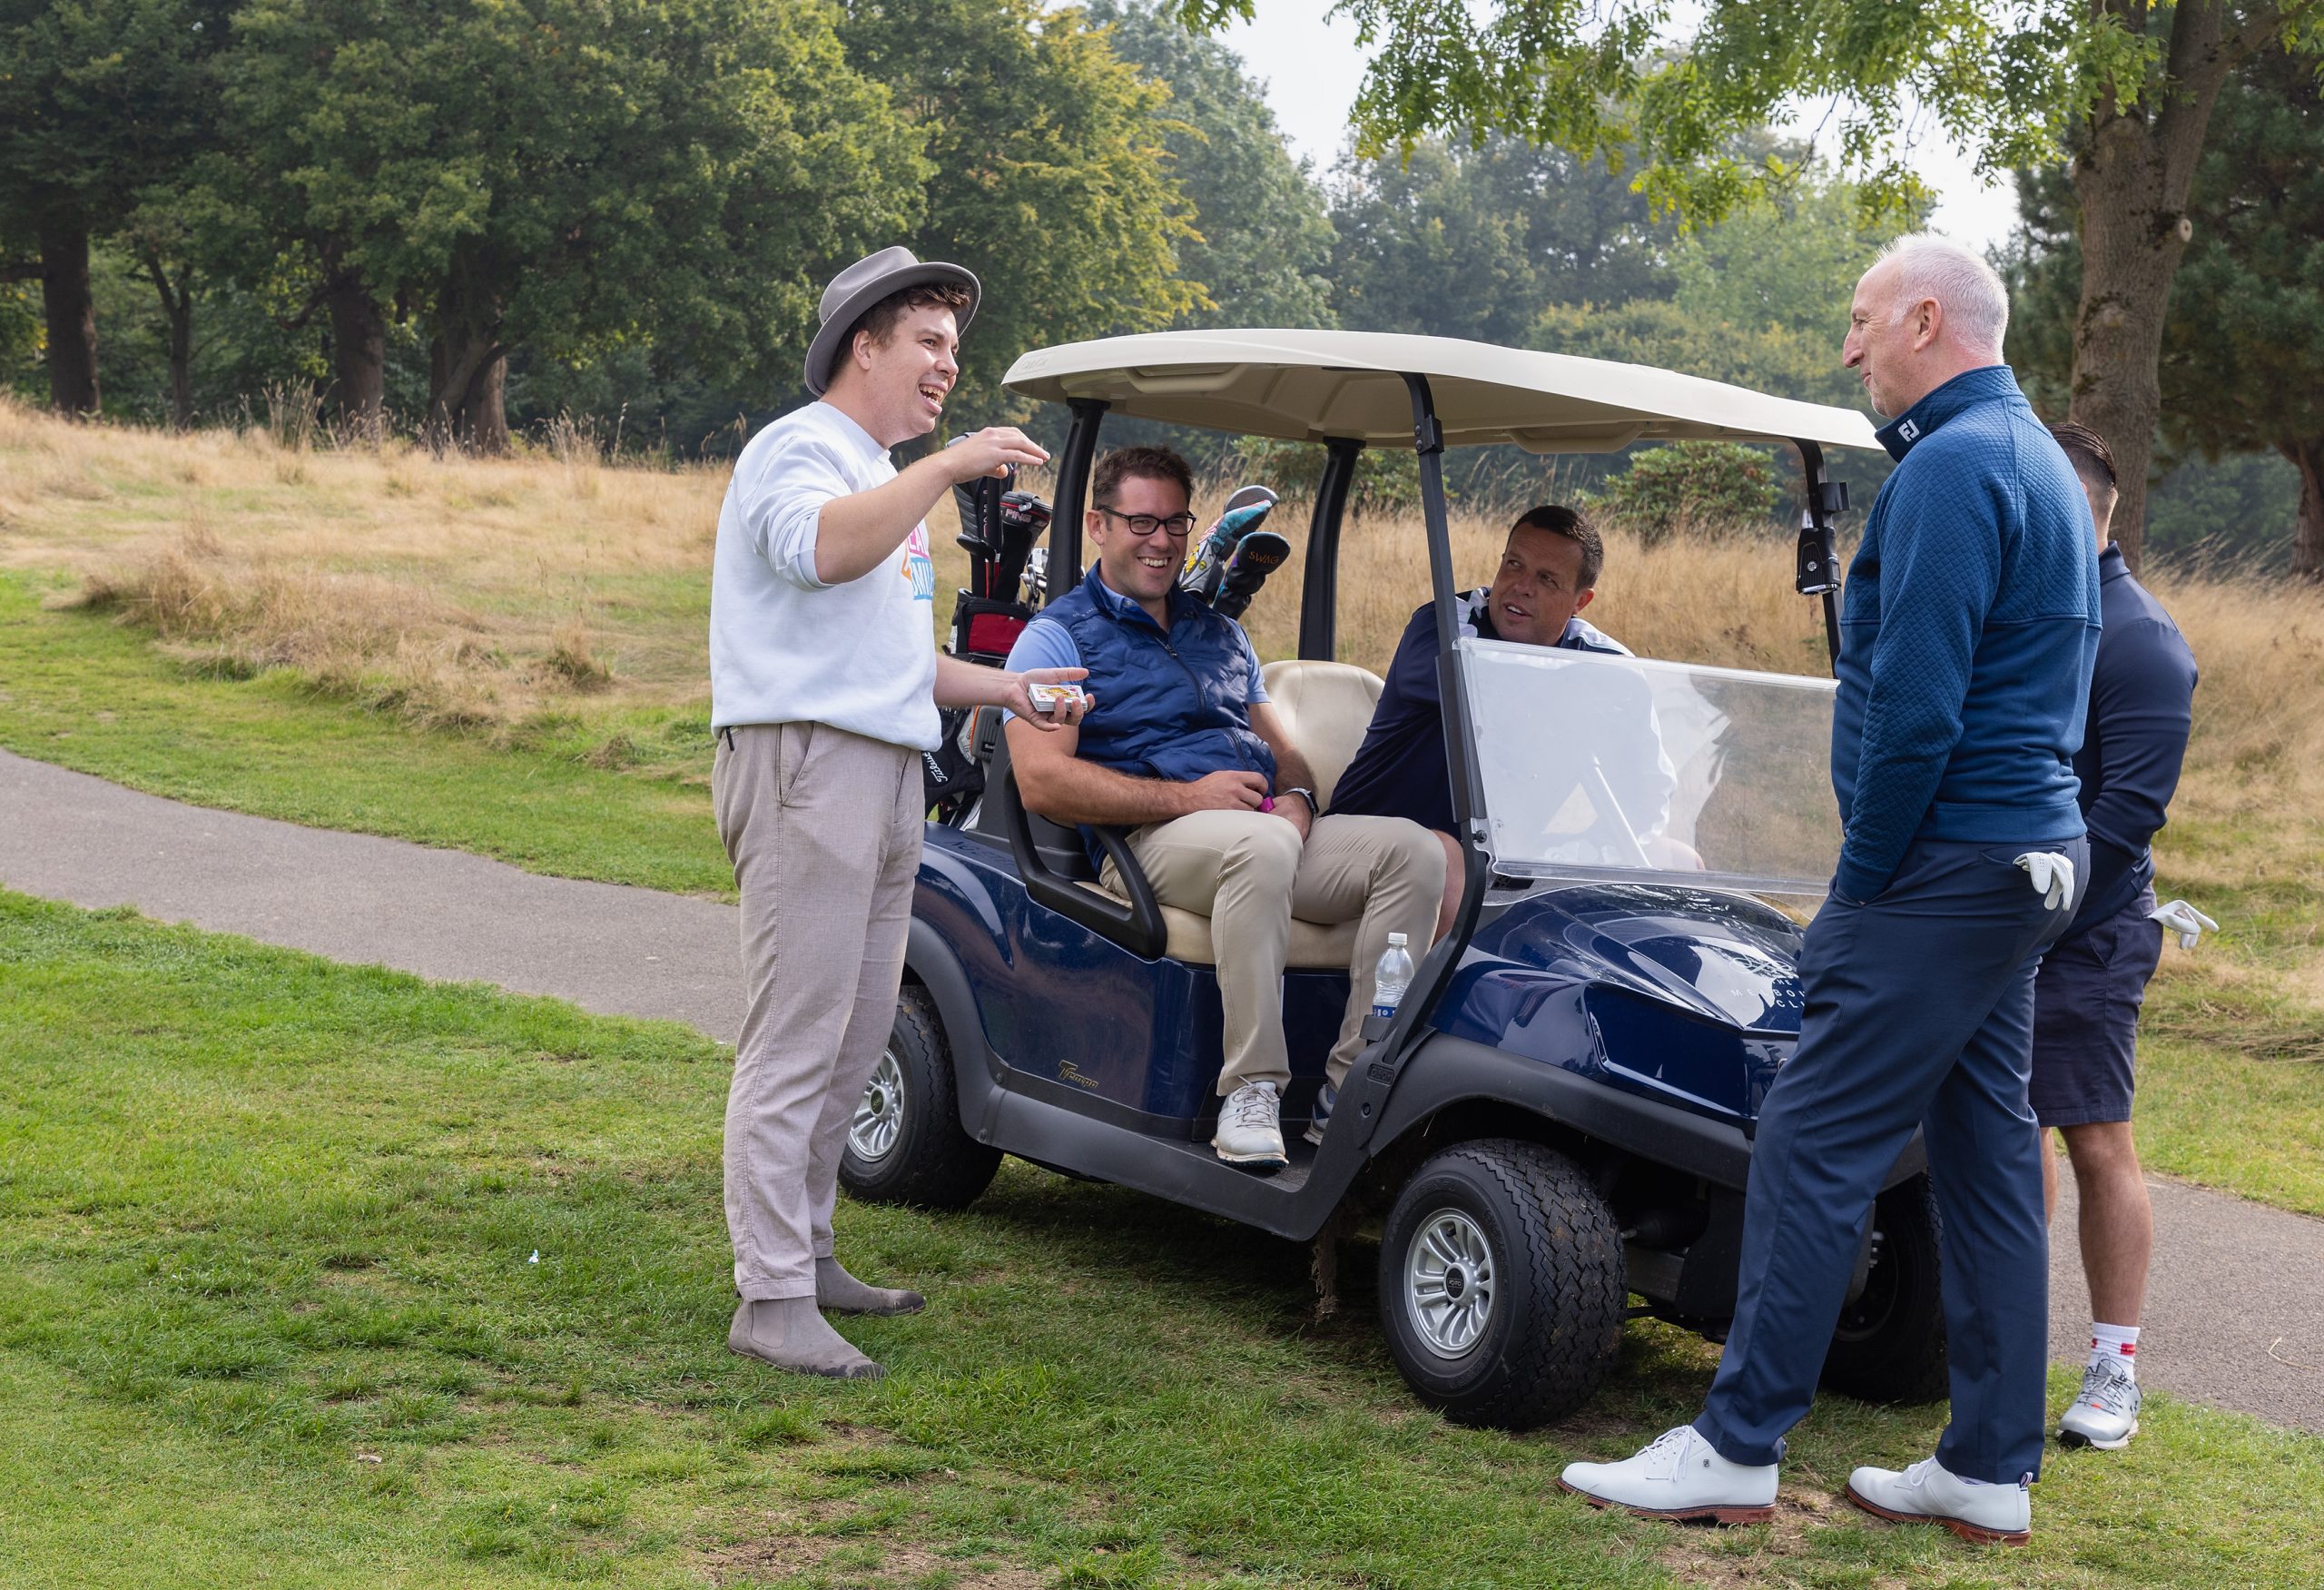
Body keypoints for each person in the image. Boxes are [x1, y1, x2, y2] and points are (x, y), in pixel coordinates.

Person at [1559, 233, 2100, 1545]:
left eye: (1863, 320)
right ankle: (1986, 1465)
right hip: (2025, 860)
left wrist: (1858, 887)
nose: (1849, 346)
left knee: (1811, 1137)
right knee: (1982, 1153)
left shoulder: (1953, 466)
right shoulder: (2034, 456)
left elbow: (1915, 711)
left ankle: (1735, 1445)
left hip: (1945, 866)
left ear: (1925, 320)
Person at [710, 246, 1088, 1381]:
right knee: (799, 1029)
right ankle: (770, 1295)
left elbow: (895, 660)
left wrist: (1010, 689)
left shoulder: (878, 476)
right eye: (928, 342)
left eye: (953, 349)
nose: (947, 365)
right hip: (806, 764)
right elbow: (821, 552)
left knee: (860, 1025)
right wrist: (947, 467)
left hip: (882, 769)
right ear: (862, 345)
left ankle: (810, 1253)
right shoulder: (798, 451)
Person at [1003, 445, 1444, 1169]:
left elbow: (1282, 750)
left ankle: (1352, 1092)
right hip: (1147, 841)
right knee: (1260, 847)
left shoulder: (1221, 633)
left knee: (1415, 853)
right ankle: (1251, 1089)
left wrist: (1298, 798)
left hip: (1258, 833)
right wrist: (1191, 798)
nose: (1162, 540)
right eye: (1142, 522)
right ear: (1098, 525)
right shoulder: (1057, 636)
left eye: (1176, 523)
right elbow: (1042, 782)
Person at [2034, 421, 2199, 1451]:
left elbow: (2125, 816)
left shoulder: (2141, 640)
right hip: (2004, 918)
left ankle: (2114, 1366)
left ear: (2085, 508)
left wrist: (2034, 921)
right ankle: (2000, 1331)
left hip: (2089, 930)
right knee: (2007, 1127)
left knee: (2094, 1135)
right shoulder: (2030, 613)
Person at [1331, 505, 1632, 937]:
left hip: (1495, 861)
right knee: (1444, 857)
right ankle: (1439, 985)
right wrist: (1588, 697)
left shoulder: (1605, 661)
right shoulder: (1443, 627)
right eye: (1514, 565)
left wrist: (1609, 845)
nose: (1521, 587)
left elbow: (1647, 783)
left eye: (1547, 579)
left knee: (1675, 859)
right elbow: (1492, 692)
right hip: (1365, 841)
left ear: (1580, 602)